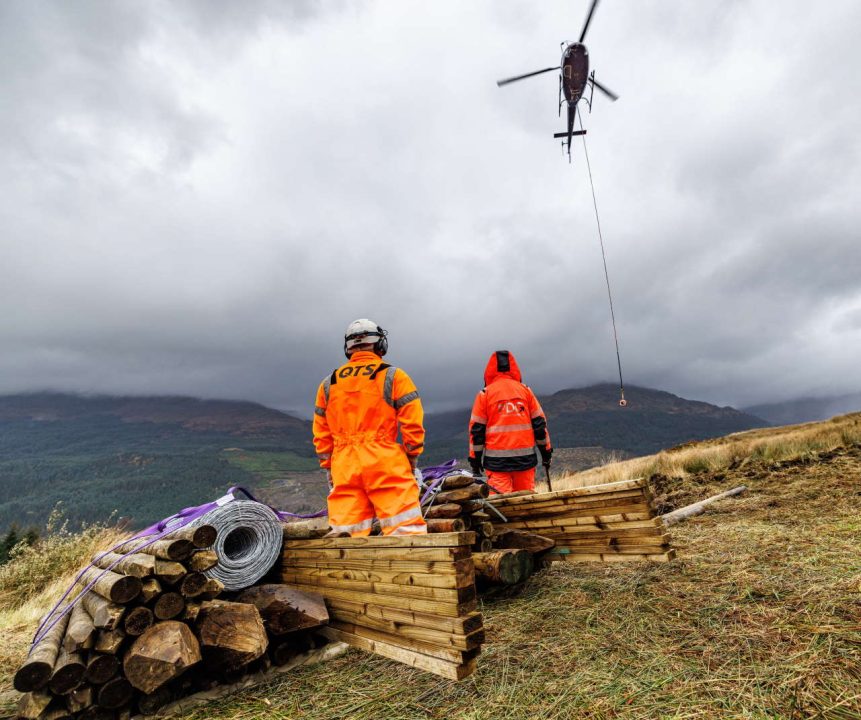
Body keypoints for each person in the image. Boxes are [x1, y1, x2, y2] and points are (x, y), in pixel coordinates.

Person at [312, 319, 427, 536]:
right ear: (379, 344)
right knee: (406, 533)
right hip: (385, 463)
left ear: (348, 348)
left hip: (344, 466)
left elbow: (321, 433)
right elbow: (412, 423)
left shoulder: (329, 383)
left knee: (346, 536)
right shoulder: (394, 376)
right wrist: (412, 457)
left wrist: (329, 467)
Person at [468, 350, 552, 494]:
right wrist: (546, 454)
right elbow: (539, 425)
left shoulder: (485, 394)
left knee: (502, 509)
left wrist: (475, 462)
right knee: (526, 505)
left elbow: (476, 432)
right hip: (525, 462)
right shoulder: (525, 391)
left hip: (497, 465)